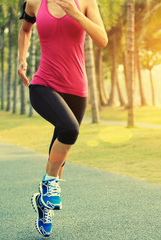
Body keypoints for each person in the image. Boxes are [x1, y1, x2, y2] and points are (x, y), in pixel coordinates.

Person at [17, 0, 107, 237]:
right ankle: (47, 183)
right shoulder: (35, 2)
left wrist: (75, 13)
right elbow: (25, 29)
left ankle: (44, 205)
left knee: (62, 149)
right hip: (43, 84)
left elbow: (102, 39)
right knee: (70, 129)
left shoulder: (86, 2)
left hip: (77, 89)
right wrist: (21, 58)